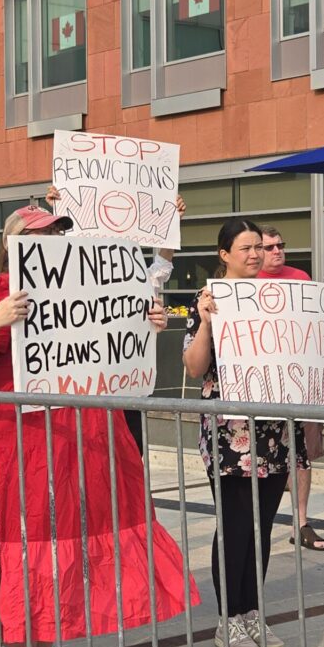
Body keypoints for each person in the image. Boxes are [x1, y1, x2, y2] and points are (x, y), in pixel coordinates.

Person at [0, 205, 197, 647]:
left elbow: (116, 360)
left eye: (60, 231)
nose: (55, 239)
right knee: (12, 602)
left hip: (72, 457)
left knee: (50, 595)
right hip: (8, 460)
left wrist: (142, 325)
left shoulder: (86, 291)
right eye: (43, 233)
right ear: (13, 244)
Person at [183, 219, 304, 647]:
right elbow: (194, 367)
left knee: (262, 528)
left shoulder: (284, 299)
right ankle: (229, 617)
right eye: (246, 248)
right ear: (224, 254)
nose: (256, 255)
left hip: (274, 432)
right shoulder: (208, 299)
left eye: (261, 247)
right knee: (235, 526)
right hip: (230, 435)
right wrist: (205, 323)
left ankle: (252, 611)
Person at [44, 186, 187, 456]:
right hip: (78, 396)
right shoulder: (65, 286)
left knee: (128, 461)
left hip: (124, 393)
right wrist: (58, 211)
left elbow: (160, 268)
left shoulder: (134, 284)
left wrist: (171, 224)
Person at [256, 225, 324, 553]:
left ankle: (300, 522)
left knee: (302, 456)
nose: (277, 251)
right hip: (259, 385)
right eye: (269, 247)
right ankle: (258, 520)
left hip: (299, 383)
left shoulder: (300, 279)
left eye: (280, 245)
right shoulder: (245, 284)